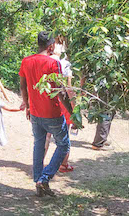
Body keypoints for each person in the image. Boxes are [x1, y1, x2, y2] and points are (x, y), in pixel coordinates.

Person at [19, 31, 71, 197]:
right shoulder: (52, 64)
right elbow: (60, 92)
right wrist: (72, 112)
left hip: (35, 113)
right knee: (63, 145)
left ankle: (38, 182)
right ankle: (44, 178)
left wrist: (27, 105)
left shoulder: (26, 61)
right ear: (51, 46)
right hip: (52, 113)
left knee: (39, 145)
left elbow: (23, 86)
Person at [45, 37, 75, 172]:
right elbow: (69, 89)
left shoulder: (48, 60)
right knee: (64, 136)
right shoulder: (67, 64)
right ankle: (63, 163)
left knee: (47, 135)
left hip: (50, 100)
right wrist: (74, 108)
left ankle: (39, 163)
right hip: (63, 103)